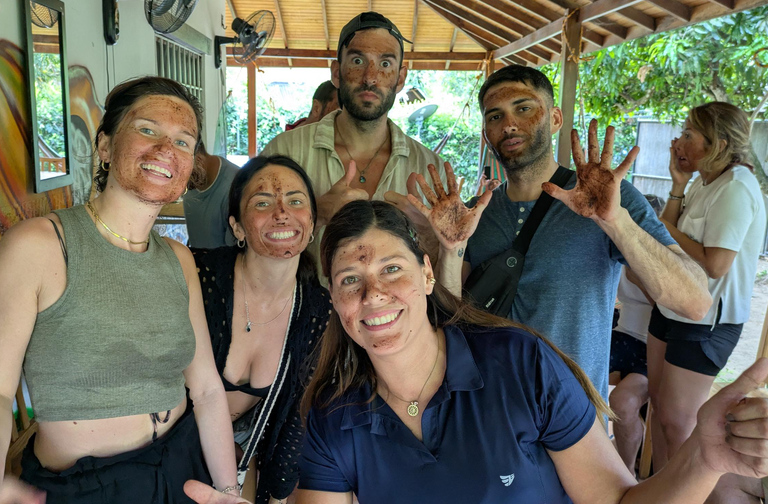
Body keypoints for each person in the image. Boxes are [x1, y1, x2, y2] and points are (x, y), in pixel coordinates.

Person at [277, 199, 768, 504]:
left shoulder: (520, 364)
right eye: (350, 280)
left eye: (391, 269)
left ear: (427, 274)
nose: (373, 295)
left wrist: (704, 458)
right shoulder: (331, 417)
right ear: (334, 299)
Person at [0, 76, 239, 503]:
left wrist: (228, 490)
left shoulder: (179, 260)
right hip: (88, 487)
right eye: (147, 129)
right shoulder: (40, 245)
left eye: (183, 141)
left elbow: (205, 390)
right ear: (105, 146)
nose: (166, 149)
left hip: (182, 467)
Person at [418, 64, 711, 400]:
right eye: (495, 116)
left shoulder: (606, 197)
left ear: (555, 119)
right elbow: (453, 320)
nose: (509, 124)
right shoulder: (473, 214)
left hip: (575, 416)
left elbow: (695, 303)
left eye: (523, 108)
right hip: (491, 409)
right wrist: (450, 248)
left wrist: (615, 221)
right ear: (486, 134)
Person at [191, 155, 332, 504]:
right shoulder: (198, 274)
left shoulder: (317, 309)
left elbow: (295, 416)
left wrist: (277, 496)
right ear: (237, 227)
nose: (281, 212)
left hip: (244, 450)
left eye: (295, 201)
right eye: (262, 202)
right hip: (172, 443)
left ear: (312, 224)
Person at [260, 11, 447, 274]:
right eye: (358, 61)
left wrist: (428, 233)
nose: (370, 77)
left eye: (385, 64)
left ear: (400, 78)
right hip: (301, 300)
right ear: (337, 73)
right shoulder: (284, 153)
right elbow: (250, 245)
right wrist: (316, 214)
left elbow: (444, 279)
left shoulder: (430, 170)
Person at [647, 102, 767, 471]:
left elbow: (716, 264)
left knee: (678, 422)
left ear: (719, 144)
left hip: (708, 321)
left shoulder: (736, 187)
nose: (677, 141)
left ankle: (683, 491)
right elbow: (667, 236)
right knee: (661, 409)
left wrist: (669, 230)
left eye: (688, 134)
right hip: (673, 307)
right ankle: (656, 489)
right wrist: (678, 185)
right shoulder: (703, 180)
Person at [608, 194, 665, 473]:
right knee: (572, 378)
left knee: (622, 402)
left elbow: (672, 312)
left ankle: (627, 472)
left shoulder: (665, 259)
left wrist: (641, 279)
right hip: (621, 336)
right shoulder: (618, 251)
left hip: (652, 345)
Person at [183, 141, 240, 249]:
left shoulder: (235, 187)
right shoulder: (193, 179)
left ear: (198, 158)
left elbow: (234, 253)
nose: (179, 179)